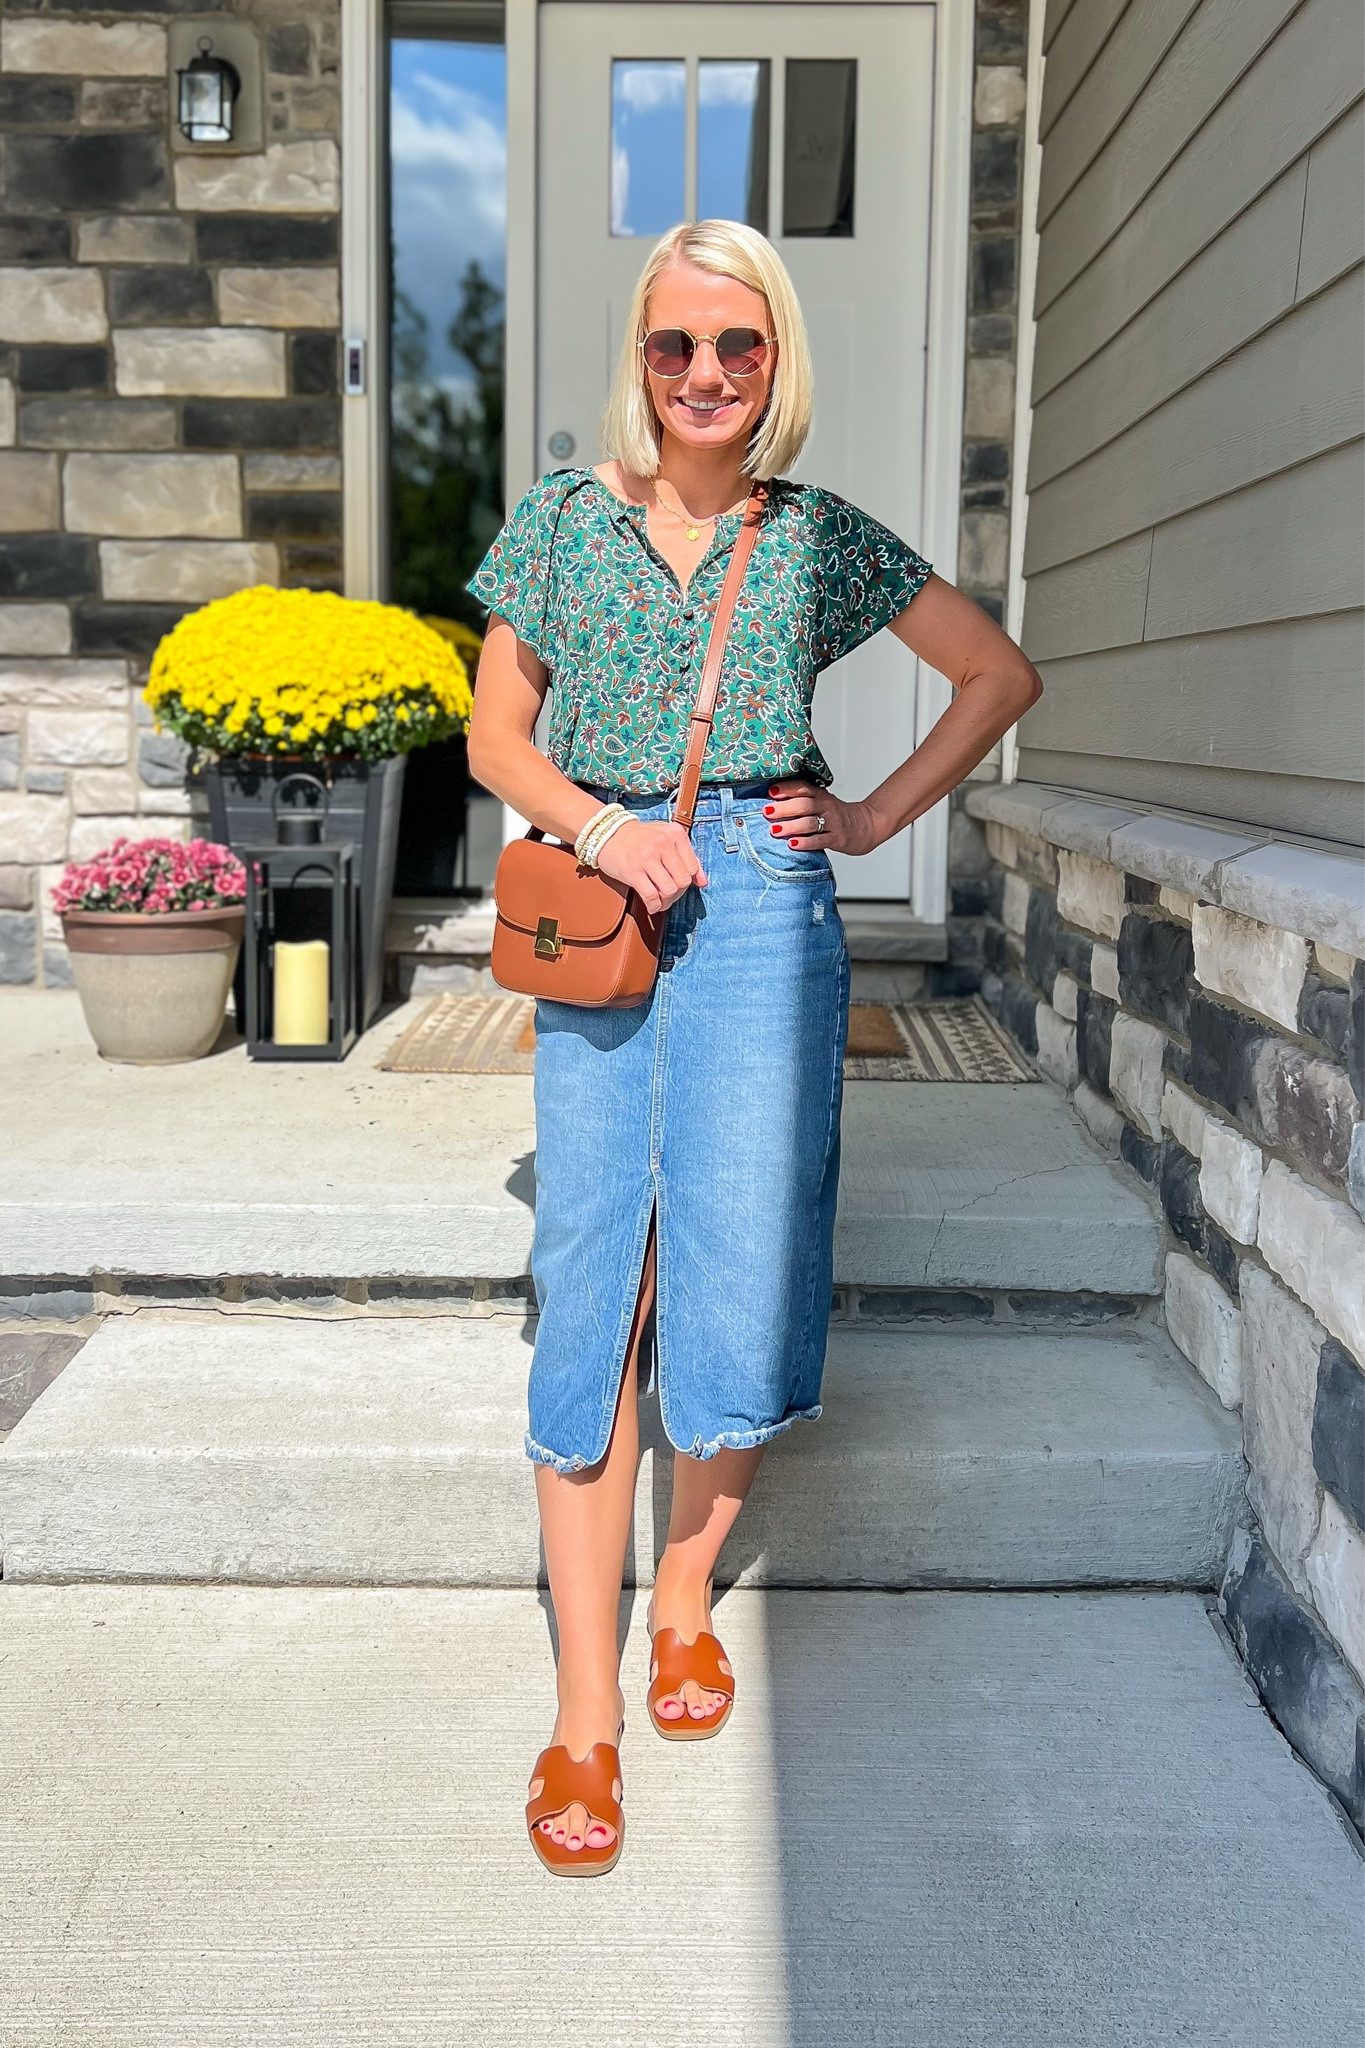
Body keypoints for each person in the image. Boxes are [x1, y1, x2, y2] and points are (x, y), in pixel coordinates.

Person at [467, 219, 1041, 1877]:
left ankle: (686, 1608)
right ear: (637, 362)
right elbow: (497, 731)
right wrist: (598, 823)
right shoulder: (561, 528)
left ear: (776, 361)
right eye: (675, 348)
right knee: (598, 1264)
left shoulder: (818, 544)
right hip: (606, 895)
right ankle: (584, 1712)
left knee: (735, 1243)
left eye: (740, 346)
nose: (707, 375)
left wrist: (865, 813)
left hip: (768, 905)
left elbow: (997, 675)